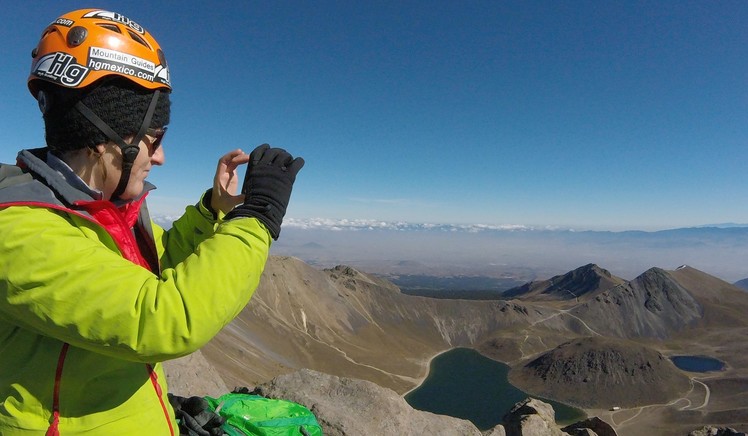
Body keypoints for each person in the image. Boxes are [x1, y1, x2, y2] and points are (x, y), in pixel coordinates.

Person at [0, 8, 303, 435]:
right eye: (153, 139)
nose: (160, 157)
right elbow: (164, 318)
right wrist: (259, 217)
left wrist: (211, 210)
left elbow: (159, 265)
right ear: (105, 137)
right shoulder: (18, 232)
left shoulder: (101, 210)